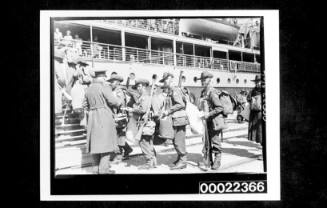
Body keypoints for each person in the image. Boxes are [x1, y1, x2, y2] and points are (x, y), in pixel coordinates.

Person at [82, 69, 122, 174]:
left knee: (95, 145)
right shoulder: (104, 87)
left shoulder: (88, 89)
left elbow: (84, 105)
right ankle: (104, 170)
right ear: (98, 77)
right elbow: (113, 101)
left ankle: (95, 169)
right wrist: (119, 101)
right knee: (106, 144)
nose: (105, 78)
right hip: (104, 116)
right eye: (103, 77)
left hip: (92, 117)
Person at [160, 72, 189, 170]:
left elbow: (180, 104)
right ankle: (180, 158)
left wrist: (168, 111)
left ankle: (183, 161)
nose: (164, 82)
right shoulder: (170, 91)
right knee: (175, 141)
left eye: (165, 80)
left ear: (170, 79)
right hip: (175, 119)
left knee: (178, 141)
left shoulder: (174, 90)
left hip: (179, 120)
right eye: (164, 81)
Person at [125, 79, 157, 169]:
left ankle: (149, 162)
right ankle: (153, 162)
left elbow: (143, 110)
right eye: (137, 87)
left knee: (144, 143)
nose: (138, 89)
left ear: (144, 86)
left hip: (146, 123)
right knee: (148, 142)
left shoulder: (145, 97)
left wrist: (132, 110)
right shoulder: (142, 96)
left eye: (139, 86)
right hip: (145, 123)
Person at [197, 71, 224, 170]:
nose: (202, 82)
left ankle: (217, 160)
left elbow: (219, 108)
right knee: (206, 141)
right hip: (206, 122)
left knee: (215, 141)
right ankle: (208, 160)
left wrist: (209, 114)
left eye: (204, 80)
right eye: (202, 80)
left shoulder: (212, 92)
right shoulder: (203, 92)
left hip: (214, 121)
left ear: (209, 80)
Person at [106, 74, 133, 160]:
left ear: (117, 83)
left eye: (112, 82)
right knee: (117, 136)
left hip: (120, 117)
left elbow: (119, 103)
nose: (110, 84)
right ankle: (126, 150)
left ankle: (121, 153)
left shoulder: (119, 92)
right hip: (115, 116)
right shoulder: (111, 91)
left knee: (120, 136)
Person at [248, 75, 263, 147]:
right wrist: (251, 99)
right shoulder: (253, 90)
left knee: (261, 130)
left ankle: (263, 147)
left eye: (259, 81)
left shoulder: (264, 89)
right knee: (258, 131)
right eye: (256, 82)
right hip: (254, 112)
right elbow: (248, 98)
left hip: (261, 113)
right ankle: (261, 145)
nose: (257, 83)